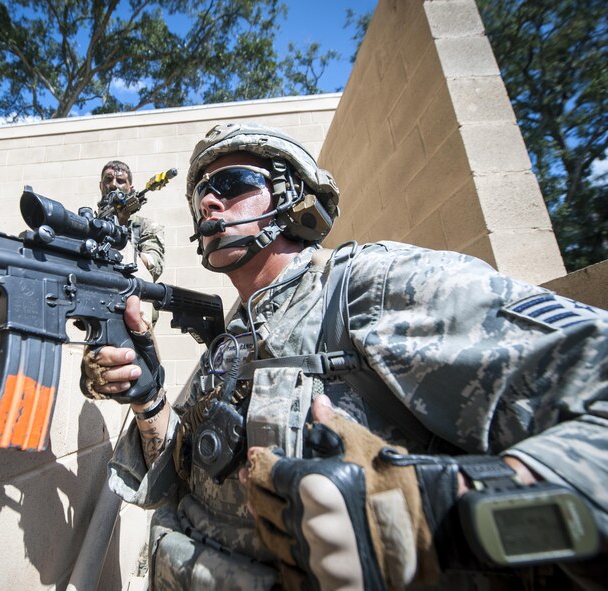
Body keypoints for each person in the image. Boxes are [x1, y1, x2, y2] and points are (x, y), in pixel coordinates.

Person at [81, 123, 608, 590]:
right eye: (201, 195)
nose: (209, 204)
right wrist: (148, 402)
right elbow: (179, 482)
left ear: (289, 196)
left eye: (233, 185)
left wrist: (436, 512)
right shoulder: (233, 335)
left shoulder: (367, 286)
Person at [98, 160, 166, 282]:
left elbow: (154, 266)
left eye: (121, 181)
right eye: (108, 179)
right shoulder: (89, 223)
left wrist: (120, 226)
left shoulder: (146, 226)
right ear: (101, 185)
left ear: (130, 188)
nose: (113, 185)